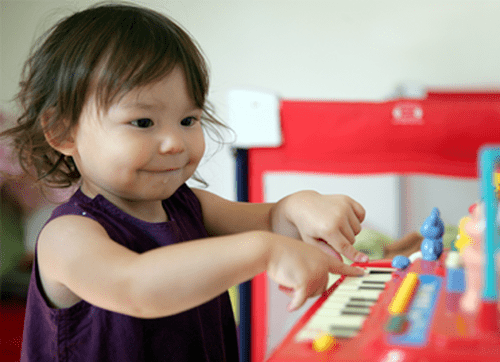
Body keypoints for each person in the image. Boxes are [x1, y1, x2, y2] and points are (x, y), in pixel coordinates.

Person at [2, 3, 369, 361]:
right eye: (143, 122)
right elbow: (136, 288)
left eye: (189, 120)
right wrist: (264, 250)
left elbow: (274, 221)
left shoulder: (188, 205)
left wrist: (301, 205)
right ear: (63, 131)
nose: (175, 142)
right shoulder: (66, 236)